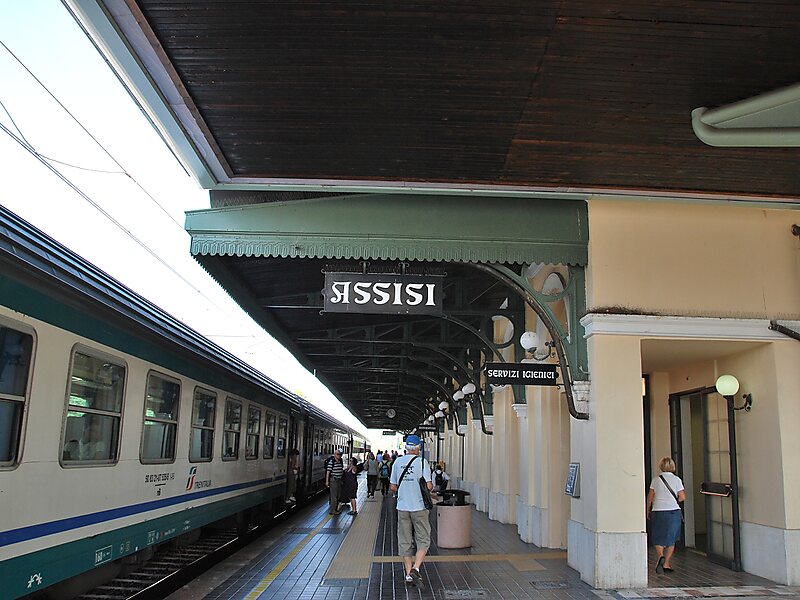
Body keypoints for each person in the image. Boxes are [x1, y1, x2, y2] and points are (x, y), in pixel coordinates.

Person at [390, 434, 433, 586]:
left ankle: (408, 575)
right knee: (423, 539)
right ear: (418, 448)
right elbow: (429, 486)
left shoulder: (397, 462)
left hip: (402, 507)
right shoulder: (422, 462)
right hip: (419, 507)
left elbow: (393, 486)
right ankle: (416, 568)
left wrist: (403, 491)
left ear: (406, 448)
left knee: (405, 541)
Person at [647, 457, 686, 574]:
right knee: (671, 538)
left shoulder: (656, 480)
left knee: (658, 536)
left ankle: (660, 556)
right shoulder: (677, 480)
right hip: (673, 511)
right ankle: (667, 563)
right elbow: (682, 497)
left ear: (661, 466)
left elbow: (650, 498)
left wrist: (647, 510)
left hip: (658, 510)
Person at [325, 449, 344, 514]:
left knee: (338, 496)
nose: (339, 456)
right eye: (338, 454)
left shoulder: (340, 461)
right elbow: (328, 472)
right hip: (334, 480)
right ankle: (333, 510)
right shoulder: (331, 462)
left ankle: (335, 509)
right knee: (334, 496)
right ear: (335, 454)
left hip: (339, 480)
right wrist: (327, 481)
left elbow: (341, 470)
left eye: (340, 454)